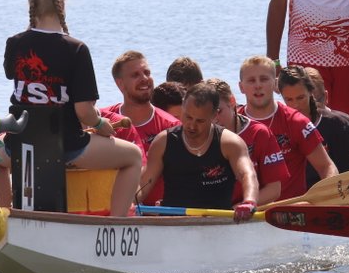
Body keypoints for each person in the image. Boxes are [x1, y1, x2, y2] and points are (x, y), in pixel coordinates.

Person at [1, 0, 143, 217]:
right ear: (62, 5)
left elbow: (15, 79)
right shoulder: (77, 49)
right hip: (67, 146)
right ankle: (116, 224)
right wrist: (101, 124)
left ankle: (6, 218)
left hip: (20, 143)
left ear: (31, 7)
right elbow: (84, 112)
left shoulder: (15, 43)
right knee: (133, 157)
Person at [139, 82, 259, 222]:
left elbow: (247, 174)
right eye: (188, 117)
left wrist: (249, 201)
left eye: (200, 121)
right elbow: (143, 185)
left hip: (218, 224)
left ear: (214, 116)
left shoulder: (230, 143)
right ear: (183, 106)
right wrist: (127, 204)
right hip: (173, 224)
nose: (191, 125)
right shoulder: (163, 142)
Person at [237, 55, 337, 199]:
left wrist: (329, 196)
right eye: (251, 80)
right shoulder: (231, 123)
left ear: (275, 84)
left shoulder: (297, 122)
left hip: (290, 211)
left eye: (264, 79)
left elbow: (326, 167)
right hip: (243, 211)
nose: (258, 85)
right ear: (241, 87)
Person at [278, 66, 349, 188]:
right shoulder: (279, 129)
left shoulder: (337, 124)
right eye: (289, 99)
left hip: (339, 193)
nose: (296, 105)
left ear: (310, 93)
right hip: (297, 197)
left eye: (300, 98)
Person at [103, 50, 180, 205]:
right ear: (120, 84)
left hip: (157, 217)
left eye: (147, 72)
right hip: (110, 212)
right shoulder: (104, 121)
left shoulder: (172, 127)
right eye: (135, 75)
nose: (144, 79)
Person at [206, 77, 290, 206]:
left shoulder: (260, 134)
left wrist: (243, 206)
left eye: (218, 111)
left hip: (246, 213)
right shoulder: (198, 135)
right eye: (207, 114)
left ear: (232, 101)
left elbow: (274, 189)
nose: (213, 120)